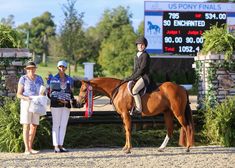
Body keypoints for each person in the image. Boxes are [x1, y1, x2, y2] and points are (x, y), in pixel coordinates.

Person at [17, 61, 44, 154]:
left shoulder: (40, 78)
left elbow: (42, 91)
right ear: (27, 69)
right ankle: (26, 149)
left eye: (32, 68)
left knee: (34, 125)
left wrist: (43, 93)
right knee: (26, 125)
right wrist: (26, 98)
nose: (31, 70)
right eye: (29, 68)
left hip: (36, 102)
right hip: (26, 103)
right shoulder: (23, 79)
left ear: (35, 69)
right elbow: (18, 94)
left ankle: (30, 147)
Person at [49, 60, 74, 153]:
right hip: (56, 104)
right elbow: (50, 93)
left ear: (66, 68)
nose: (62, 68)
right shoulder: (53, 79)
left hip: (66, 105)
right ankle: (55, 146)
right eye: (60, 67)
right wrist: (59, 99)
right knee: (56, 124)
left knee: (63, 125)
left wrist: (71, 100)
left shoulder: (70, 79)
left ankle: (61, 145)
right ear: (57, 67)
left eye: (63, 67)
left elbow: (71, 92)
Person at [123, 36, 151, 116]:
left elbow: (141, 70)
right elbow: (135, 70)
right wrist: (130, 77)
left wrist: (131, 78)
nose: (140, 46)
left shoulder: (145, 55)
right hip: (138, 76)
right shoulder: (136, 56)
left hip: (145, 77)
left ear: (145, 46)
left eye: (142, 45)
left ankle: (139, 108)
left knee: (135, 90)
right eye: (139, 45)